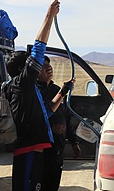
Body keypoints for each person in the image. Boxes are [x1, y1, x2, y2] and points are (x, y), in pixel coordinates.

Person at [3, 0, 64, 191]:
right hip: (28, 151)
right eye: (31, 64)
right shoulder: (21, 85)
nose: (38, 67)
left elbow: (44, 113)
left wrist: (62, 93)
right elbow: (39, 48)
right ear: (23, 69)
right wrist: (49, 16)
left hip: (37, 151)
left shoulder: (27, 90)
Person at [37, 57, 80, 191]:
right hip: (42, 149)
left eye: (49, 65)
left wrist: (74, 142)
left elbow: (66, 117)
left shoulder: (57, 90)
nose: (48, 68)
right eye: (44, 66)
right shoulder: (34, 92)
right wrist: (50, 127)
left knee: (53, 184)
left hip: (58, 148)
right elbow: (33, 119)